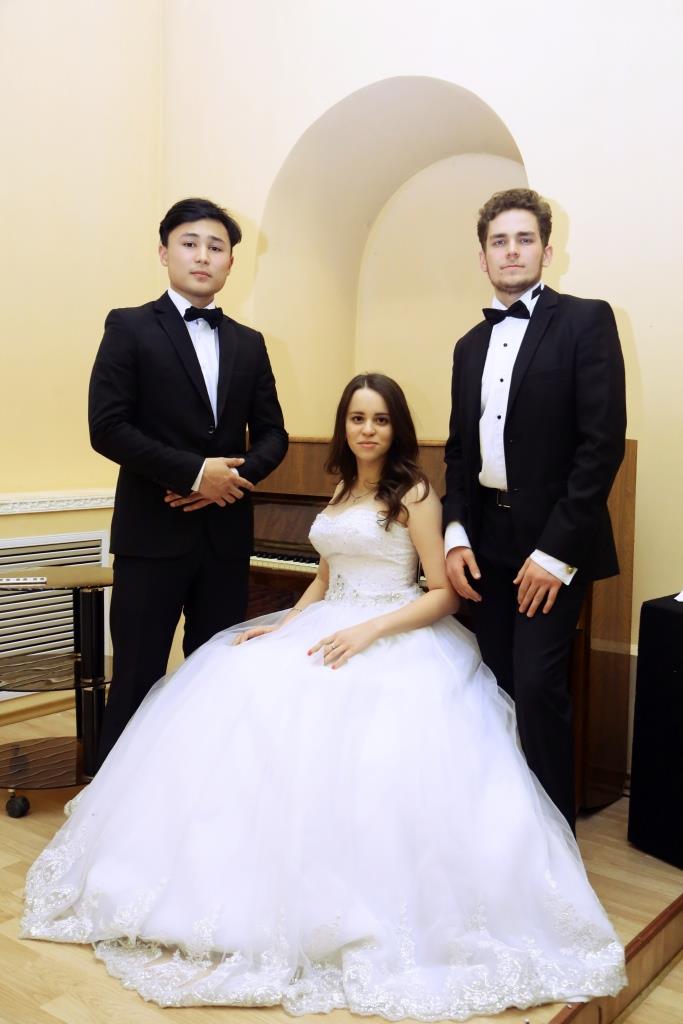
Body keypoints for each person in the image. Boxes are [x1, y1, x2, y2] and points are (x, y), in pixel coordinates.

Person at [23, 373, 624, 1019]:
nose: (367, 430)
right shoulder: (340, 488)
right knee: (242, 684)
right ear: (345, 426)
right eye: (357, 418)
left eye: (380, 420)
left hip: (392, 630)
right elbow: (324, 575)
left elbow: (442, 594)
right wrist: (284, 625)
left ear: (396, 428)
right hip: (325, 621)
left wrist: (368, 631)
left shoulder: (415, 493)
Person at [443, 188, 627, 830]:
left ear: (548, 251)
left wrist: (554, 553)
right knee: (493, 684)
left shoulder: (586, 321)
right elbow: (459, 452)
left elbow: (600, 447)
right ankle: (505, 832)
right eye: (499, 241)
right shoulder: (468, 345)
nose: (512, 251)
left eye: (525, 239)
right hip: (485, 540)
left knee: (538, 685)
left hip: (554, 542)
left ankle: (554, 841)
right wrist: (455, 534)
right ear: (483, 256)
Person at [88, 197, 288, 766]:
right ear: (164, 252)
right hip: (152, 537)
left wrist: (230, 480)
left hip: (225, 538)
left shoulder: (250, 342)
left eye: (216, 247)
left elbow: (274, 435)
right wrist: (195, 473)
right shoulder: (128, 326)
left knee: (217, 674)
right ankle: (110, 802)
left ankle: (203, 791)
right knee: (137, 674)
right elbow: (107, 427)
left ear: (230, 263)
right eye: (190, 243)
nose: (203, 256)